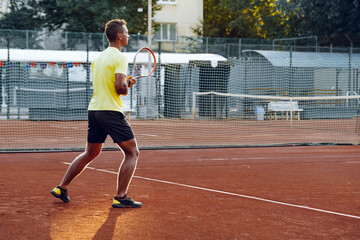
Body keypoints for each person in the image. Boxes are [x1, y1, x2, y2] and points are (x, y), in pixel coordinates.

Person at [51, 19, 142, 208]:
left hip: (94, 110)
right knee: (132, 152)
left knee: (90, 152)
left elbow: (111, 84)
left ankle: (62, 187)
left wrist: (126, 82)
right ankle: (121, 196)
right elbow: (119, 88)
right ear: (119, 36)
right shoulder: (119, 57)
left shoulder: (99, 58)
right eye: (126, 32)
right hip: (110, 110)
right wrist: (126, 86)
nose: (128, 35)